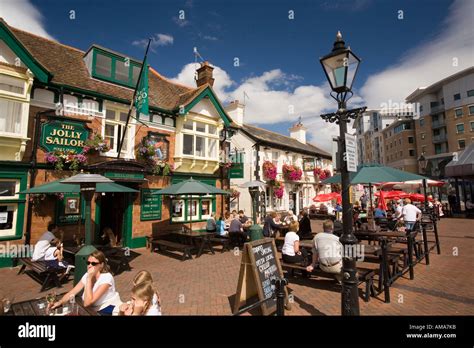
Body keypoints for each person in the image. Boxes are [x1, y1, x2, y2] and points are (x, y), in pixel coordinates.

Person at [50, 250, 121, 313]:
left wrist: (89, 279)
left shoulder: (106, 278)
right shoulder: (87, 275)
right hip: (92, 309)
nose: (90, 266)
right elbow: (73, 292)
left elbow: (87, 303)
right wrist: (60, 302)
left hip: (108, 309)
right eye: (88, 262)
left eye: (93, 264)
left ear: (101, 265)